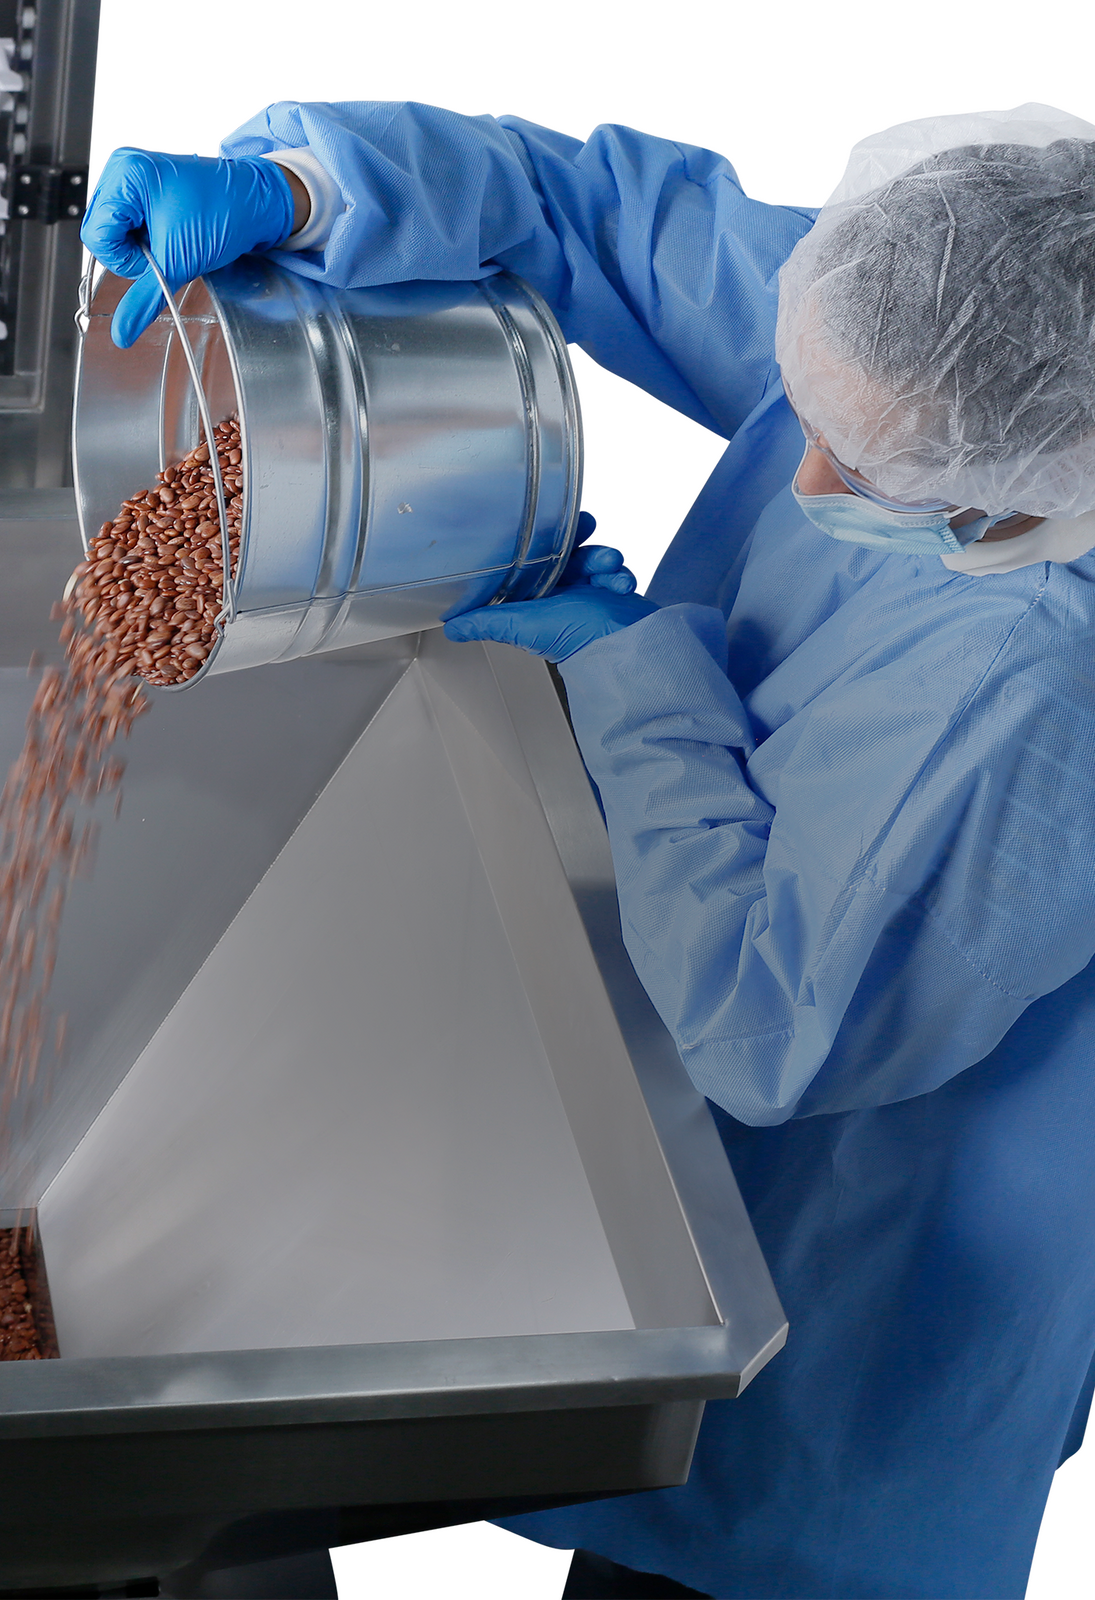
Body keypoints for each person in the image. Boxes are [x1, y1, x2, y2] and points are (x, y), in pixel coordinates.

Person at [81, 103, 1095, 1600]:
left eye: (863, 468)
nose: (801, 483)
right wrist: (304, 191)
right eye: (801, 405)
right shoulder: (940, 316)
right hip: (694, 1145)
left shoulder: (1038, 682)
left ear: (1025, 485)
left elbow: (776, 1022)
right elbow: (601, 218)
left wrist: (629, 674)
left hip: (866, 1277)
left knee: (726, 1546)